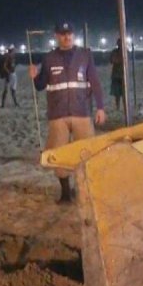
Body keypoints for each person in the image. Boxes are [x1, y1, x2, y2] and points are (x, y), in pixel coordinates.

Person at [29, 22, 106, 202]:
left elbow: (95, 82)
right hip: (58, 115)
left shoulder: (85, 55)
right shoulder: (49, 58)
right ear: (57, 36)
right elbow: (40, 85)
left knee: (88, 153)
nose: (67, 37)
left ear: (73, 35)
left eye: (69, 33)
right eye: (63, 34)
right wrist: (34, 76)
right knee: (60, 155)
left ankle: (88, 192)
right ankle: (65, 193)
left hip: (82, 112)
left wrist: (100, 107)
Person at [109, 38, 125, 110]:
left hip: (122, 75)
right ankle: (118, 106)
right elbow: (112, 60)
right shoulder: (114, 52)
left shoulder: (125, 51)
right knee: (117, 93)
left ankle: (124, 106)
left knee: (124, 92)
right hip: (116, 75)